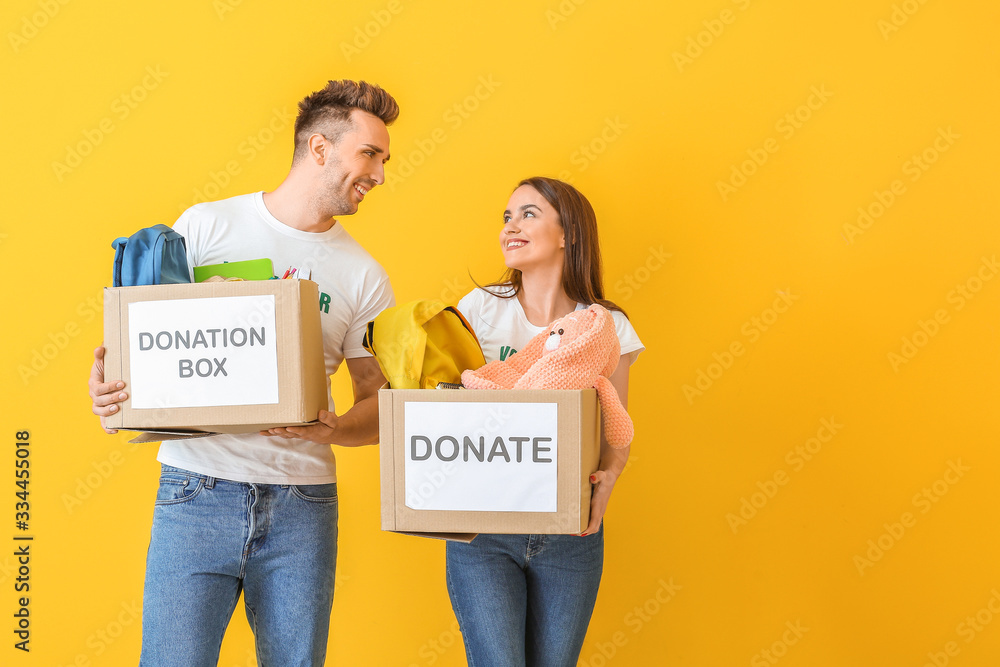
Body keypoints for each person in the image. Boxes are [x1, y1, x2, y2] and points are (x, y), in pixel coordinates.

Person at [88, 79, 399, 667]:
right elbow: (144, 346)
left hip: (303, 503)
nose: (380, 174)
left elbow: (378, 405)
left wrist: (333, 429)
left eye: (384, 160)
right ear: (320, 148)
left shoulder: (365, 275)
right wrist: (110, 387)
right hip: (195, 489)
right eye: (370, 154)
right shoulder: (206, 227)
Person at [449, 176, 644, 666]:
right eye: (507, 217)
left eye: (528, 214)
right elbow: (451, 409)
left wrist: (611, 476)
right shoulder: (479, 309)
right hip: (484, 528)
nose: (510, 226)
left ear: (568, 234)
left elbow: (614, 426)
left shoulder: (605, 325)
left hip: (569, 531)